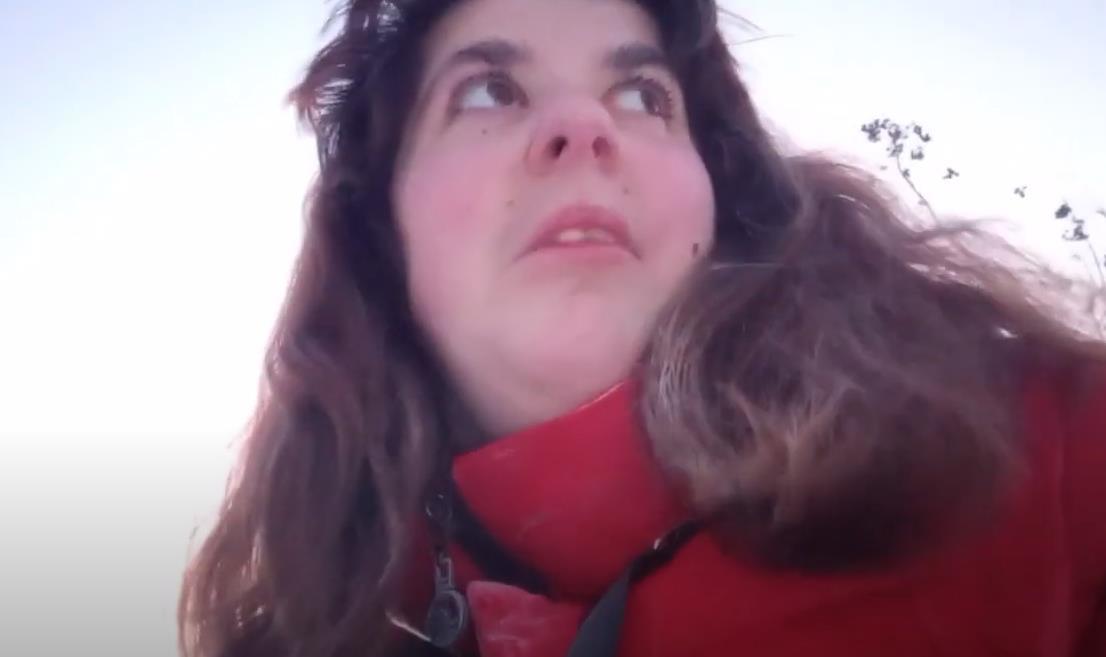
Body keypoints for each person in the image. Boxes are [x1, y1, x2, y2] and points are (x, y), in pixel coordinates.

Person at [178, 1, 1106, 656]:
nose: (584, 124)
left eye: (643, 96)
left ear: (716, 197)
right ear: (383, 230)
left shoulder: (1041, 462)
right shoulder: (309, 635)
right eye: (489, 91)